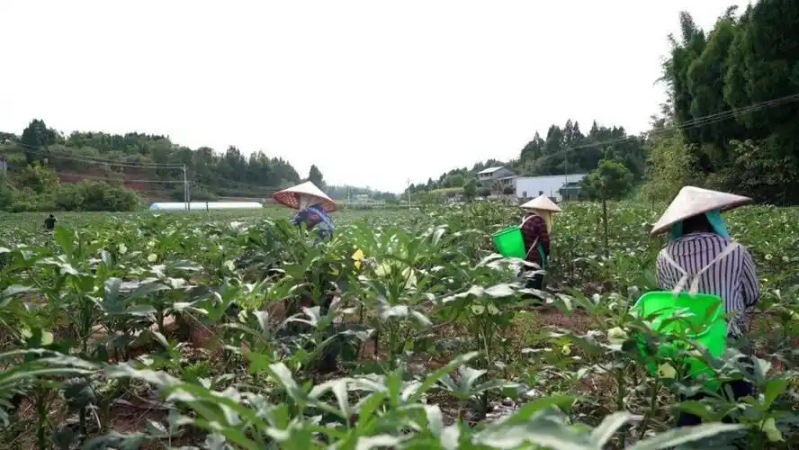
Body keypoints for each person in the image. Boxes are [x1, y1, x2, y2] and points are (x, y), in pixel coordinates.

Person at [650, 186, 760, 427]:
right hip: (729, 343)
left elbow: (669, 298)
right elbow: (752, 295)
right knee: (738, 412)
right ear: (713, 218)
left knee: (691, 412)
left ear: (678, 223)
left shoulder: (663, 257)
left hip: (686, 346)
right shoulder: (736, 251)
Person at [518, 195, 561, 290]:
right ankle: (535, 302)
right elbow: (545, 240)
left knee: (528, 278)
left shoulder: (526, 218)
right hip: (535, 256)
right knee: (536, 280)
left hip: (525, 254)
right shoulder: (539, 220)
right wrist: (547, 253)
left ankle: (527, 301)